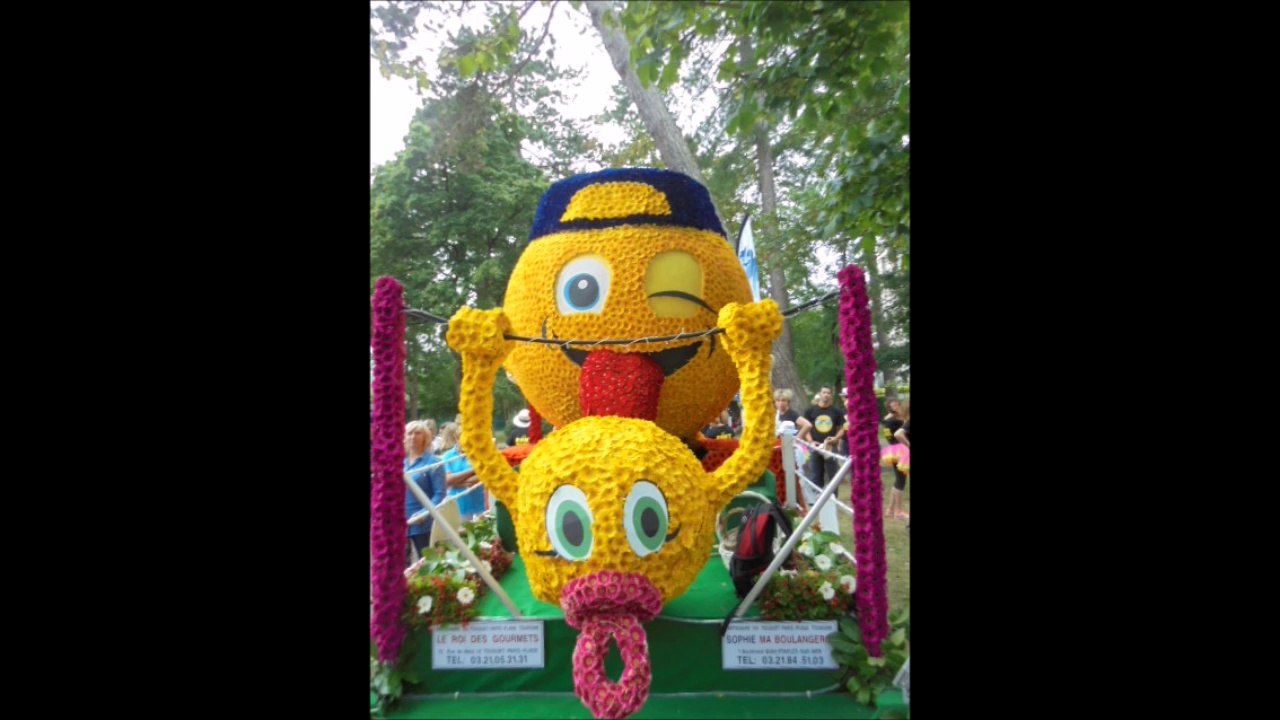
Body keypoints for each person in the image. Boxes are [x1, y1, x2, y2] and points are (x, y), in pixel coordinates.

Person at [404, 420, 446, 560]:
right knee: (402, 566)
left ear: (425, 437)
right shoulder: (399, 463)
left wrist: (424, 513)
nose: (413, 436)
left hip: (423, 524)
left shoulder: (433, 462)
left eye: (418, 433)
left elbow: (440, 494)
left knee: (427, 562)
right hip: (401, 523)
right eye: (409, 433)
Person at [799, 386, 847, 487]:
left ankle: (834, 498)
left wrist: (836, 438)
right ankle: (817, 499)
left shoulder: (836, 411)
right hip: (815, 447)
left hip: (830, 447)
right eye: (824, 392)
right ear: (820, 394)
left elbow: (842, 428)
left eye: (828, 393)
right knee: (816, 476)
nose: (826, 395)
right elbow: (805, 428)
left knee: (833, 476)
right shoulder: (810, 411)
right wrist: (810, 441)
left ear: (831, 396)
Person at [438, 422, 485, 522]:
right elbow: (447, 480)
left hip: (479, 505)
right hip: (459, 506)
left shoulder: (479, 454)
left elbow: (483, 476)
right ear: (456, 439)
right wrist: (472, 470)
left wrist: (457, 482)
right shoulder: (448, 456)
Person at [885, 399, 911, 520]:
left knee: (899, 480)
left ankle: (891, 509)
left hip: (901, 450)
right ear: (889, 407)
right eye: (892, 405)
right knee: (900, 481)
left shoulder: (903, 419)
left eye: (897, 404)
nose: (895, 406)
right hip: (899, 451)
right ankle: (898, 511)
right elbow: (890, 437)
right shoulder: (889, 421)